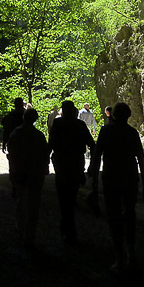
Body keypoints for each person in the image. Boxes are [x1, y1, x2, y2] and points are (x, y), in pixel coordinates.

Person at [90, 102, 144, 271]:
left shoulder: (106, 131)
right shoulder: (132, 133)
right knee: (130, 214)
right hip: (129, 177)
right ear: (128, 115)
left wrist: (94, 178)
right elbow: (141, 159)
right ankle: (131, 254)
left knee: (113, 215)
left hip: (111, 177)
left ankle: (120, 256)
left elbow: (97, 155)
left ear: (113, 115)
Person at [48, 100, 95, 244]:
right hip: (76, 163)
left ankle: (66, 227)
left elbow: (51, 144)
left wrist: (44, 162)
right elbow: (92, 144)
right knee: (72, 195)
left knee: (63, 196)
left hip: (61, 164)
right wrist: (92, 165)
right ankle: (69, 229)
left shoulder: (58, 124)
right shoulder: (80, 125)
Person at [7, 107, 50, 249]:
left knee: (20, 201)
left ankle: (20, 229)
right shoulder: (39, 135)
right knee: (34, 204)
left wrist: (12, 170)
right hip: (35, 173)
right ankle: (29, 236)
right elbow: (44, 154)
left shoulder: (16, 133)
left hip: (20, 171)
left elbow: (11, 153)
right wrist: (45, 168)